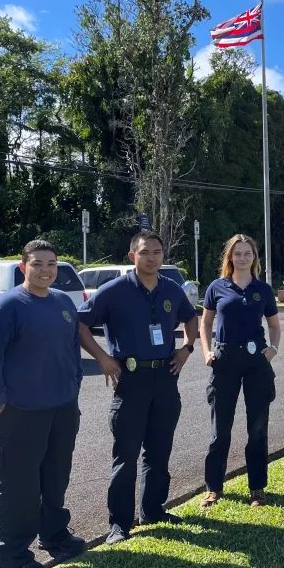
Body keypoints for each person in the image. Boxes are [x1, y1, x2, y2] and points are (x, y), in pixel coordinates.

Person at [0, 239, 85, 568]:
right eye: (38, 264)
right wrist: (0, 401)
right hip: (16, 412)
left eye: (52, 264)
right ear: (23, 268)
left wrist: (72, 387)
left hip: (60, 408)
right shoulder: (6, 307)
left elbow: (71, 349)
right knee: (18, 486)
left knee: (54, 477)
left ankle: (54, 535)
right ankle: (11, 556)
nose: (46, 270)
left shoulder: (63, 303)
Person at [77, 231, 199, 546]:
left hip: (165, 380)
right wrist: (103, 357)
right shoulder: (113, 291)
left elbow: (190, 320)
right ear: (133, 256)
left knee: (159, 452)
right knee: (126, 455)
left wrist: (186, 350)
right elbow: (80, 324)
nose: (152, 258)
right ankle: (119, 523)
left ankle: (153, 510)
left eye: (157, 252)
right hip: (130, 381)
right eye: (145, 252)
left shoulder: (172, 289)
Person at [199, 234, 281, 508]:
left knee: (257, 428)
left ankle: (257, 488)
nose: (243, 258)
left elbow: (274, 325)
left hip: (256, 360)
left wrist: (274, 348)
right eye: (238, 253)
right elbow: (205, 322)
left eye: (248, 253)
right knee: (220, 428)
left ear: (254, 257)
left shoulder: (263, 289)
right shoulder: (217, 287)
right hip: (225, 359)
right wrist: (207, 351)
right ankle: (213, 488)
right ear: (230, 257)